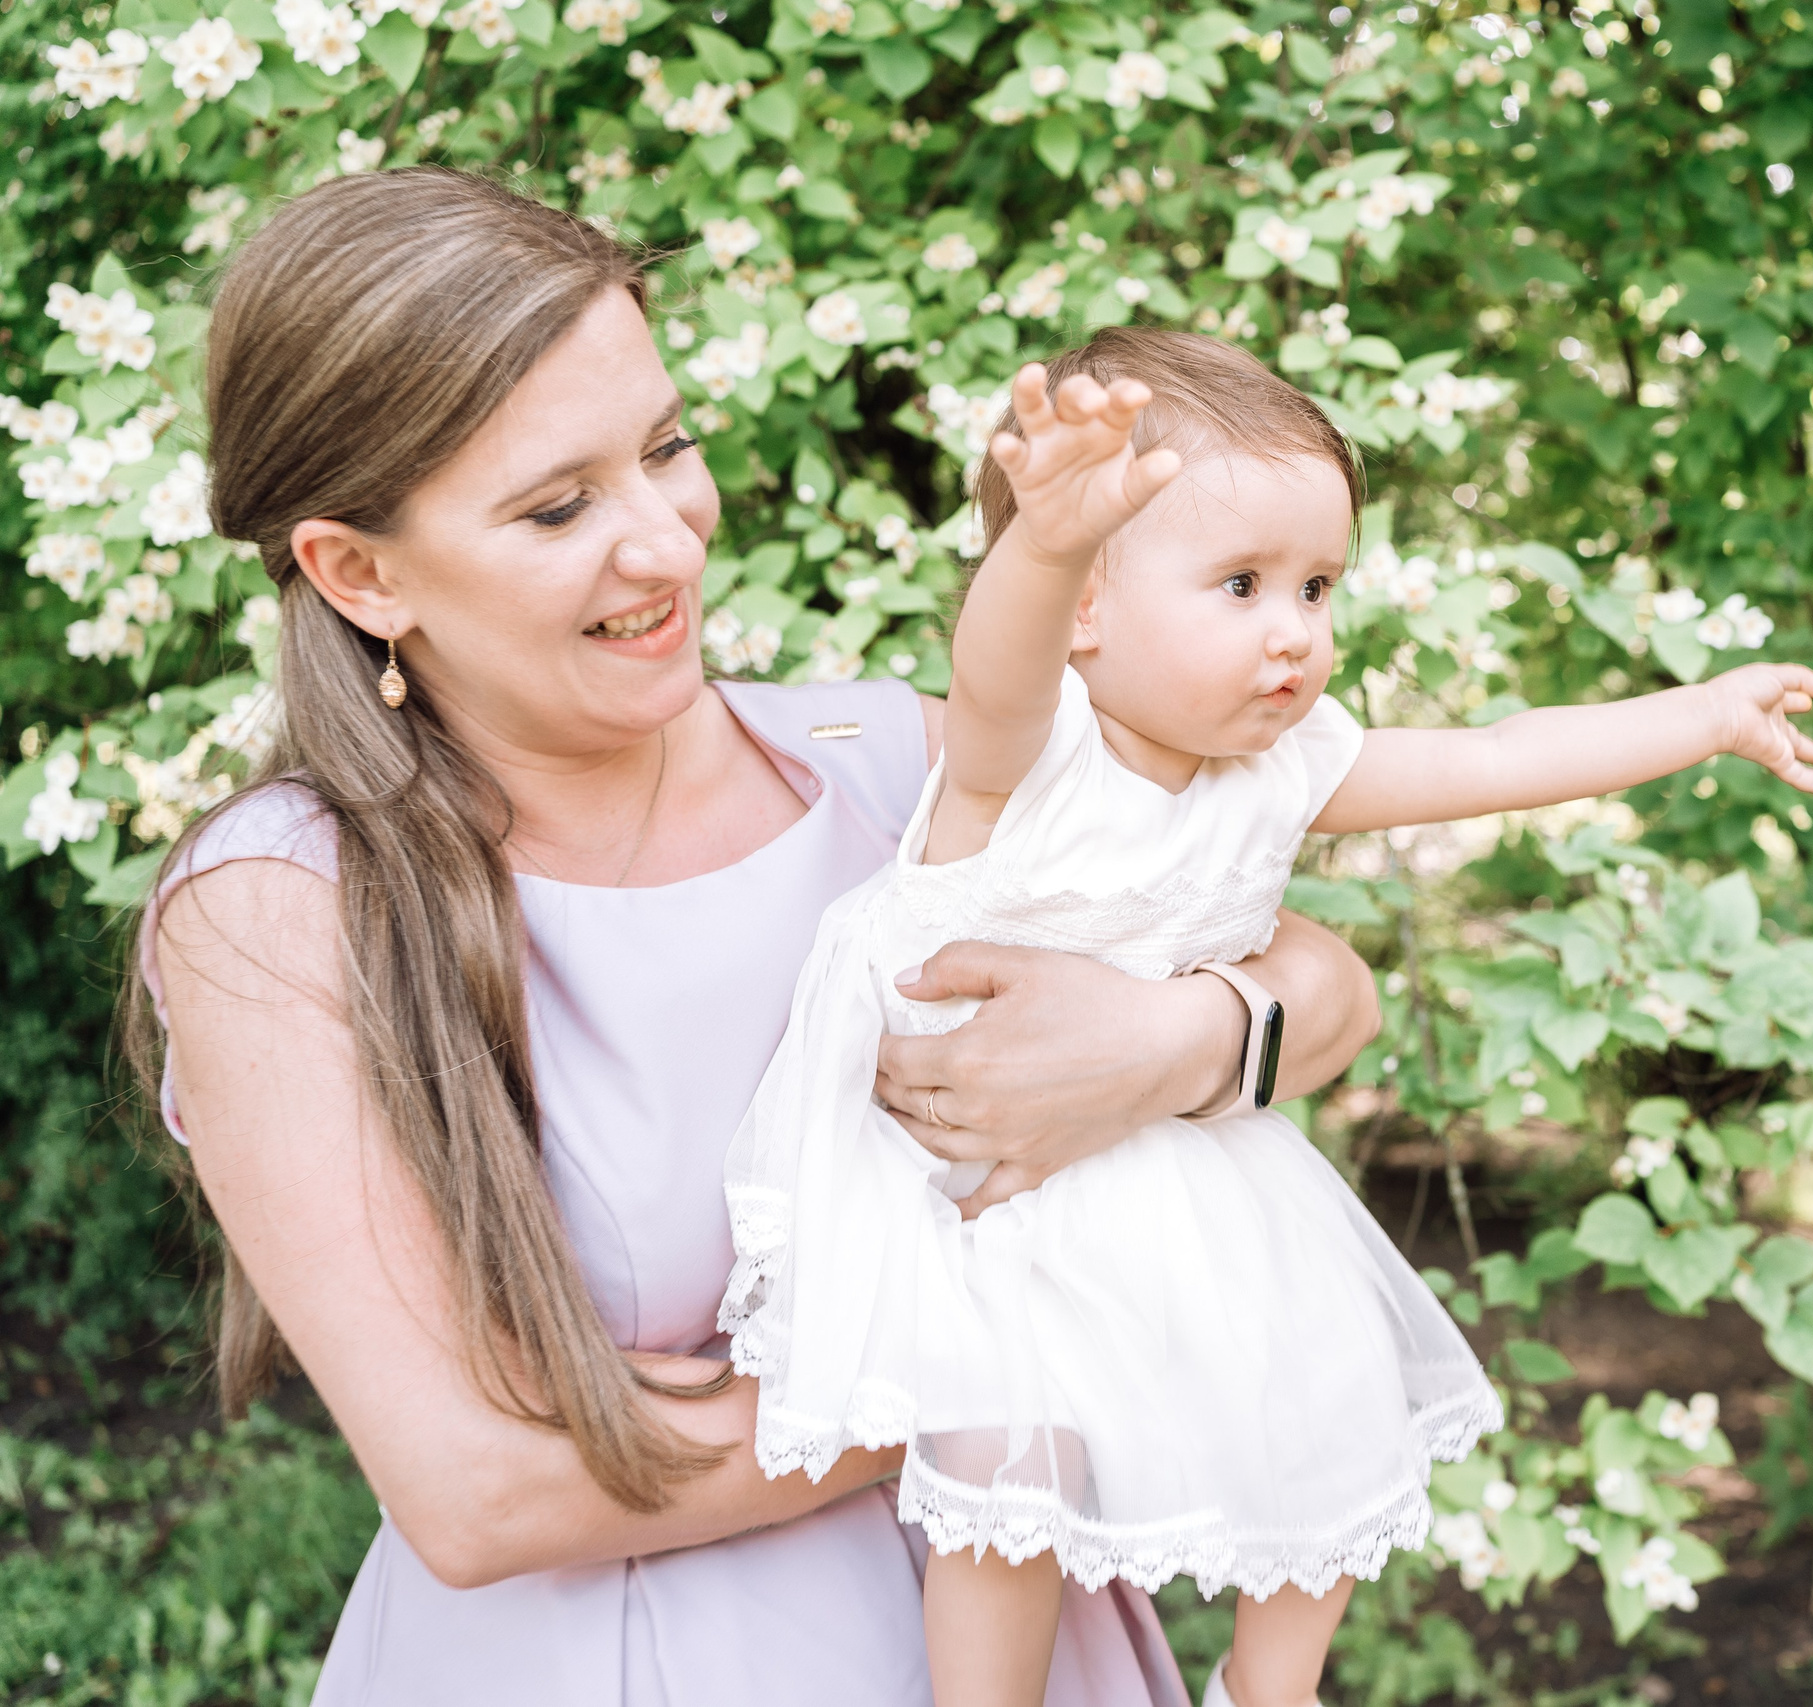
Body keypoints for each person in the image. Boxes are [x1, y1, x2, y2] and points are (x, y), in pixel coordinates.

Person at [126, 168, 1384, 1706]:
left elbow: (1321, 983)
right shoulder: (278, 903)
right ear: (360, 573)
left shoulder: (874, 763)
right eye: (558, 505)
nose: (665, 542)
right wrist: (1046, 1349)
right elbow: (482, 1494)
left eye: (664, 449)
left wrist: (1172, 1043)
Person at [722, 328, 1813, 1707]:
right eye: (1242, 583)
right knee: (1016, 1444)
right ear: (1086, 608)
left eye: (1317, 586)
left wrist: (1707, 715)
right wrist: (1040, 545)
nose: (1294, 630)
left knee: (1334, 1370)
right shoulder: (1027, 747)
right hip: (967, 1179)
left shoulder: (1281, 764)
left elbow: (1497, 757)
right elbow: (999, 650)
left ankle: (1275, 1686)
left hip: (1149, 1142)